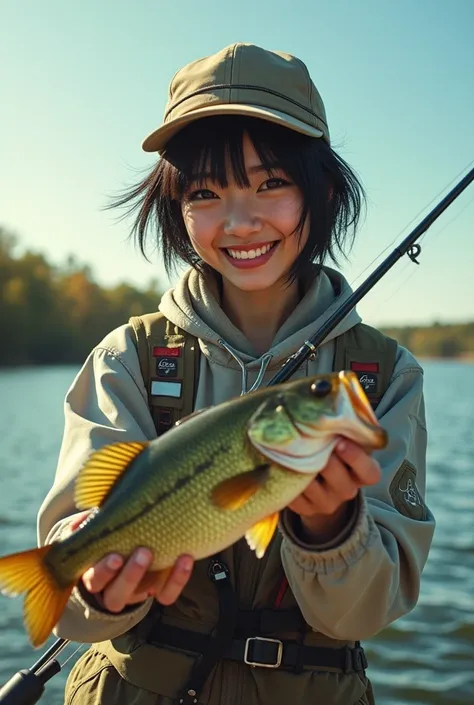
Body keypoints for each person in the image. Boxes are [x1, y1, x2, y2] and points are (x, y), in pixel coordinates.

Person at [37, 43, 435, 705]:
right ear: (175, 206)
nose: (240, 219)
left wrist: (331, 527)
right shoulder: (125, 359)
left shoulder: (385, 378)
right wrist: (90, 580)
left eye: (271, 182)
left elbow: (365, 614)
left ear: (324, 188)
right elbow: (73, 612)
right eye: (206, 193)